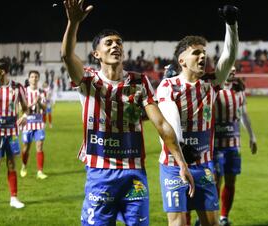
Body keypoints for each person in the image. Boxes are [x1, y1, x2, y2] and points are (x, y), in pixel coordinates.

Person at [60, 0, 194, 225]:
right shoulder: (87, 80)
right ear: (96, 54)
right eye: (109, 43)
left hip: (134, 174)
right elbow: (66, 55)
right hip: (100, 173)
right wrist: (73, 23)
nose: (115, 46)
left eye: (119, 42)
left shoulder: (140, 82)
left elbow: (161, 124)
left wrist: (181, 162)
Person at [156, 5, 239, 226]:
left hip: (203, 165)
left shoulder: (210, 84)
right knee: (178, 223)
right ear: (182, 61)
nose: (203, 56)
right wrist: (181, 146)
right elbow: (170, 118)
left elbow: (229, 56)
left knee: (211, 223)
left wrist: (231, 25)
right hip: (173, 165)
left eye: (204, 53)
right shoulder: (168, 86)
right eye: (196, 53)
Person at [213, 67, 257, 226]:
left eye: (234, 69)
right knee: (215, 182)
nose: (232, 71)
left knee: (231, 181)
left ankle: (224, 216)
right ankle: (210, 216)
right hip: (215, 146)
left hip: (233, 145)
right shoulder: (212, 89)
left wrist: (252, 136)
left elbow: (244, 115)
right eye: (229, 69)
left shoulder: (239, 91)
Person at [0, 59, 28, 208]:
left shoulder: (16, 87)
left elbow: (25, 107)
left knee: (11, 164)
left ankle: (13, 198)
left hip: (12, 132)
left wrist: (24, 116)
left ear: (2, 72)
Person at [20, 70, 48, 179]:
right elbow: (21, 109)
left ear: (38, 78)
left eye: (36, 77)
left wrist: (39, 102)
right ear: (29, 78)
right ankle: (23, 166)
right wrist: (33, 103)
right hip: (27, 122)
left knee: (39, 146)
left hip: (39, 123)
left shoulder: (42, 92)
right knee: (26, 147)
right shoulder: (24, 92)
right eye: (32, 76)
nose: (34, 78)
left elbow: (45, 108)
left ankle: (40, 171)